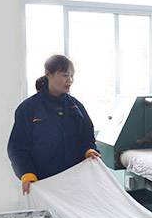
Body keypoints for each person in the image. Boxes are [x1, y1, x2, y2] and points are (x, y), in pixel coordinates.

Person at [8, 55, 100, 194]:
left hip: (75, 182)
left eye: (72, 76)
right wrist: (26, 173)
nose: (70, 80)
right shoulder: (28, 109)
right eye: (65, 75)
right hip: (43, 183)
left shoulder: (76, 107)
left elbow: (87, 138)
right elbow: (17, 147)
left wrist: (90, 150)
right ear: (48, 74)